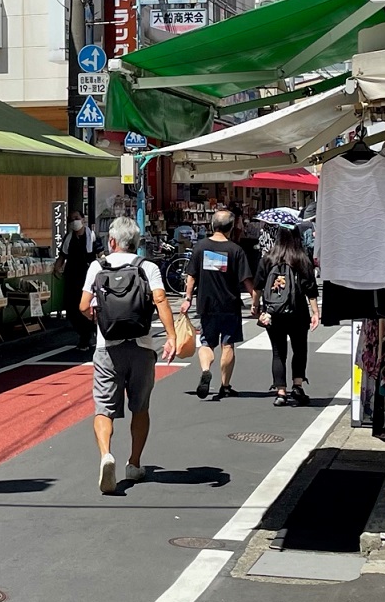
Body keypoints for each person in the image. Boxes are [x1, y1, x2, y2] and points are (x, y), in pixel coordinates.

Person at [81, 217, 179, 494]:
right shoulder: (147, 267)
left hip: (107, 347)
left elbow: (84, 305)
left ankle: (106, 456)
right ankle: (134, 463)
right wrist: (171, 336)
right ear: (136, 243)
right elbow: (160, 299)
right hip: (143, 345)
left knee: (103, 408)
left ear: (111, 242)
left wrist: (101, 320)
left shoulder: (97, 267)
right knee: (140, 406)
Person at [181, 209, 254, 399]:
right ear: (231, 227)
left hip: (206, 303)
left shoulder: (200, 247)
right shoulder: (235, 250)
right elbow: (246, 279)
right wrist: (256, 300)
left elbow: (191, 276)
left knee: (206, 343)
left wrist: (188, 298)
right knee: (228, 345)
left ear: (212, 225)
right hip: (230, 304)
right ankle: (225, 385)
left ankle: (206, 370)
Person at [252, 224, 321, 405]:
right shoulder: (301, 258)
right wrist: (315, 311)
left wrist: (255, 306)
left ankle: (281, 393)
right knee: (300, 349)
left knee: (278, 352)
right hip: (298, 311)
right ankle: (297, 386)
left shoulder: (268, 258)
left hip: (273, 312)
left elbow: (258, 286)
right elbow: (310, 288)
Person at [55, 209, 100, 351]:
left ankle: (86, 336)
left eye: (76, 218)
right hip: (72, 276)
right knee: (72, 309)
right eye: (71, 219)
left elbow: (101, 254)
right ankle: (86, 333)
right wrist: (57, 268)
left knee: (86, 306)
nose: (74, 221)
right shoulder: (68, 238)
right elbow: (62, 255)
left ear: (83, 219)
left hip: (88, 276)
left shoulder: (92, 236)